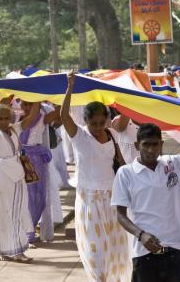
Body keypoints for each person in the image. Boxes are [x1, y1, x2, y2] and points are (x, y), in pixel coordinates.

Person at [111, 107, 180, 282]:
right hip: (143, 252)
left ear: (161, 144)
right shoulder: (126, 173)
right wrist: (141, 235)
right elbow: (120, 215)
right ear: (138, 146)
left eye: (155, 144)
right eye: (146, 144)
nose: (151, 150)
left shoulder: (174, 164)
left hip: (174, 250)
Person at [61, 71, 131, 281]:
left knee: (115, 245)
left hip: (112, 197)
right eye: (94, 123)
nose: (99, 127)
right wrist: (69, 87)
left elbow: (122, 165)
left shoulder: (111, 134)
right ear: (86, 121)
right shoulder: (79, 136)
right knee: (95, 247)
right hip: (89, 199)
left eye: (102, 122)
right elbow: (64, 116)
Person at [0, 83, 38, 263]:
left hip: (16, 174)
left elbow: (32, 115)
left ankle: (18, 250)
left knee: (16, 210)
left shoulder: (15, 129)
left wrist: (36, 94)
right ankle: (2, 250)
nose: (4, 121)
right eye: (0, 118)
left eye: (6, 118)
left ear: (11, 118)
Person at [18, 100, 61, 243]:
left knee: (38, 195)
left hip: (36, 162)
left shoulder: (43, 117)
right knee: (24, 196)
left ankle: (31, 227)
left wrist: (62, 96)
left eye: (31, 104)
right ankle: (25, 231)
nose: (27, 107)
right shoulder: (15, 119)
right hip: (20, 161)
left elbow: (60, 112)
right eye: (24, 104)